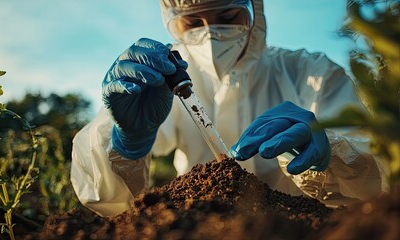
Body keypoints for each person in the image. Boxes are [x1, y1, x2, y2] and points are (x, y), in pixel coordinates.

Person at [70, 0, 389, 217]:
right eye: (193, 21)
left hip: (295, 227)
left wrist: (330, 153)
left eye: (226, 16)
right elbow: (111, 205)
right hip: (200, 226)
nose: (210, 33)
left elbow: (375, 186)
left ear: (254, 11)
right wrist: (125, 144)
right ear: (174, 24)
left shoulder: (312, 74)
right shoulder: (162, 77)